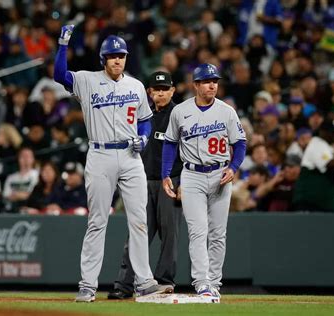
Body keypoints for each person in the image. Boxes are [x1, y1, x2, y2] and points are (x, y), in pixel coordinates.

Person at [53, 25, 160, 302]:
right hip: (100, 155)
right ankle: (88, 285)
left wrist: (145, 139)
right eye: (112, 56)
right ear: (103, 59)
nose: (117, 60)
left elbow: (146, 120)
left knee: (139, 221)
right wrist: (64, 44)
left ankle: (144, 281)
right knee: (97, 221)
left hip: (130, 156)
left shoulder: (135, 85)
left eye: (121, 55)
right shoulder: (88, 80)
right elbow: (58, 75)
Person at [161, 63, 247, 297]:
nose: (212, 85)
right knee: (198, 231)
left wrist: (234, 167)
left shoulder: (226, 111)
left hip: (220, 174)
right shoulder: (180, 111)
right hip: (192, 176)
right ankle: (202, 282)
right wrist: (166, 173)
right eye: (207, 81)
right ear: (196, 85)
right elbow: (170, 143)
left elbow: (239, 143)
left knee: (218, 232)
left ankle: (215, 282)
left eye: (215, 81)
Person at [108, 71, 183, 299]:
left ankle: (164, 282)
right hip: (141, 181)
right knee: (137, 234)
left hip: (170, 181)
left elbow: (189, 152)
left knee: (170, 235)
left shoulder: (180, 115)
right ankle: (125, 285)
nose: (160, 93)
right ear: (149, 92)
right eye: (156, 89)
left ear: (173, 90)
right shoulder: (141, 115)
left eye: (165, 89)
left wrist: (184, 183)